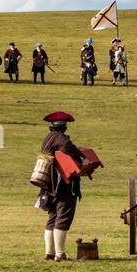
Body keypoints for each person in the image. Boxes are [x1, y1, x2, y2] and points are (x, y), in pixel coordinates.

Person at [39, 111, 85, 261]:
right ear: (64, 126)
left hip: (49, 185)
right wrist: (81, 156)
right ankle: (60, 254)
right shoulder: (61, 139)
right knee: (63, 217)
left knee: (52, 217)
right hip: (63, 184)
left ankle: (49, 252)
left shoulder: (48, 138)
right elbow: (69, 151)